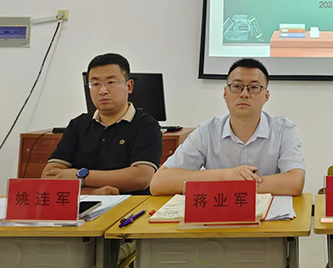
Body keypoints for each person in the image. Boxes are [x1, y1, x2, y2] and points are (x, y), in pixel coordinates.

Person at [150, 57, 305, 196]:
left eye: (253, 87)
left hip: (269, 215)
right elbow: (159, 182)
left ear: (266, 96)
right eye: (237, 86)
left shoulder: (284, 130)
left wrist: (233, 185)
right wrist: (225, 176)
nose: (244, 94)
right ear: (225, 93)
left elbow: (295, 182)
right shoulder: (207, 131)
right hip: (218, 213)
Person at [43, 53, 163, 195]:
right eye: (95, 84)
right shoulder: (78, 125)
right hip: (82, 204)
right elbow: (48, 176)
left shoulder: (146, 126)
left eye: (111, 82)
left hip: (131, 205)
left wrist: (80, 176)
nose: (102, 91)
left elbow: (141, 178)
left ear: (129, 86)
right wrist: (94, 192)